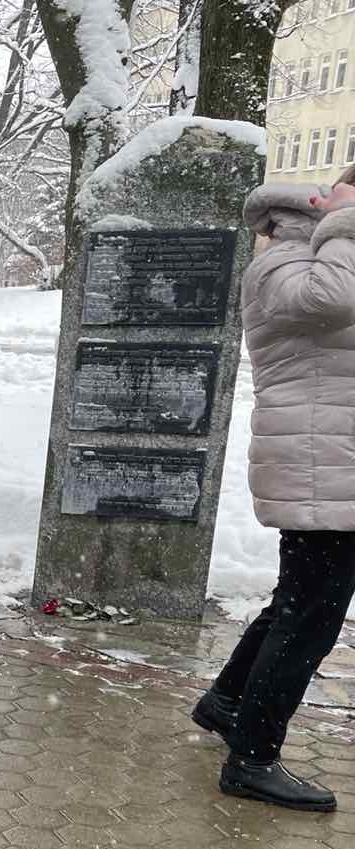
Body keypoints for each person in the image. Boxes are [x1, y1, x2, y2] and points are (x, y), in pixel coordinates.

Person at [191, 177, 355, 813]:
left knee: (299, 602)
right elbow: (333, 300)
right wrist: (345, 226)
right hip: (319, 464)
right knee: (311, 617)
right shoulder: (286, 261)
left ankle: (229, 703)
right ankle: (253, 758)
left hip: (330, 461)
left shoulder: (317, 255)